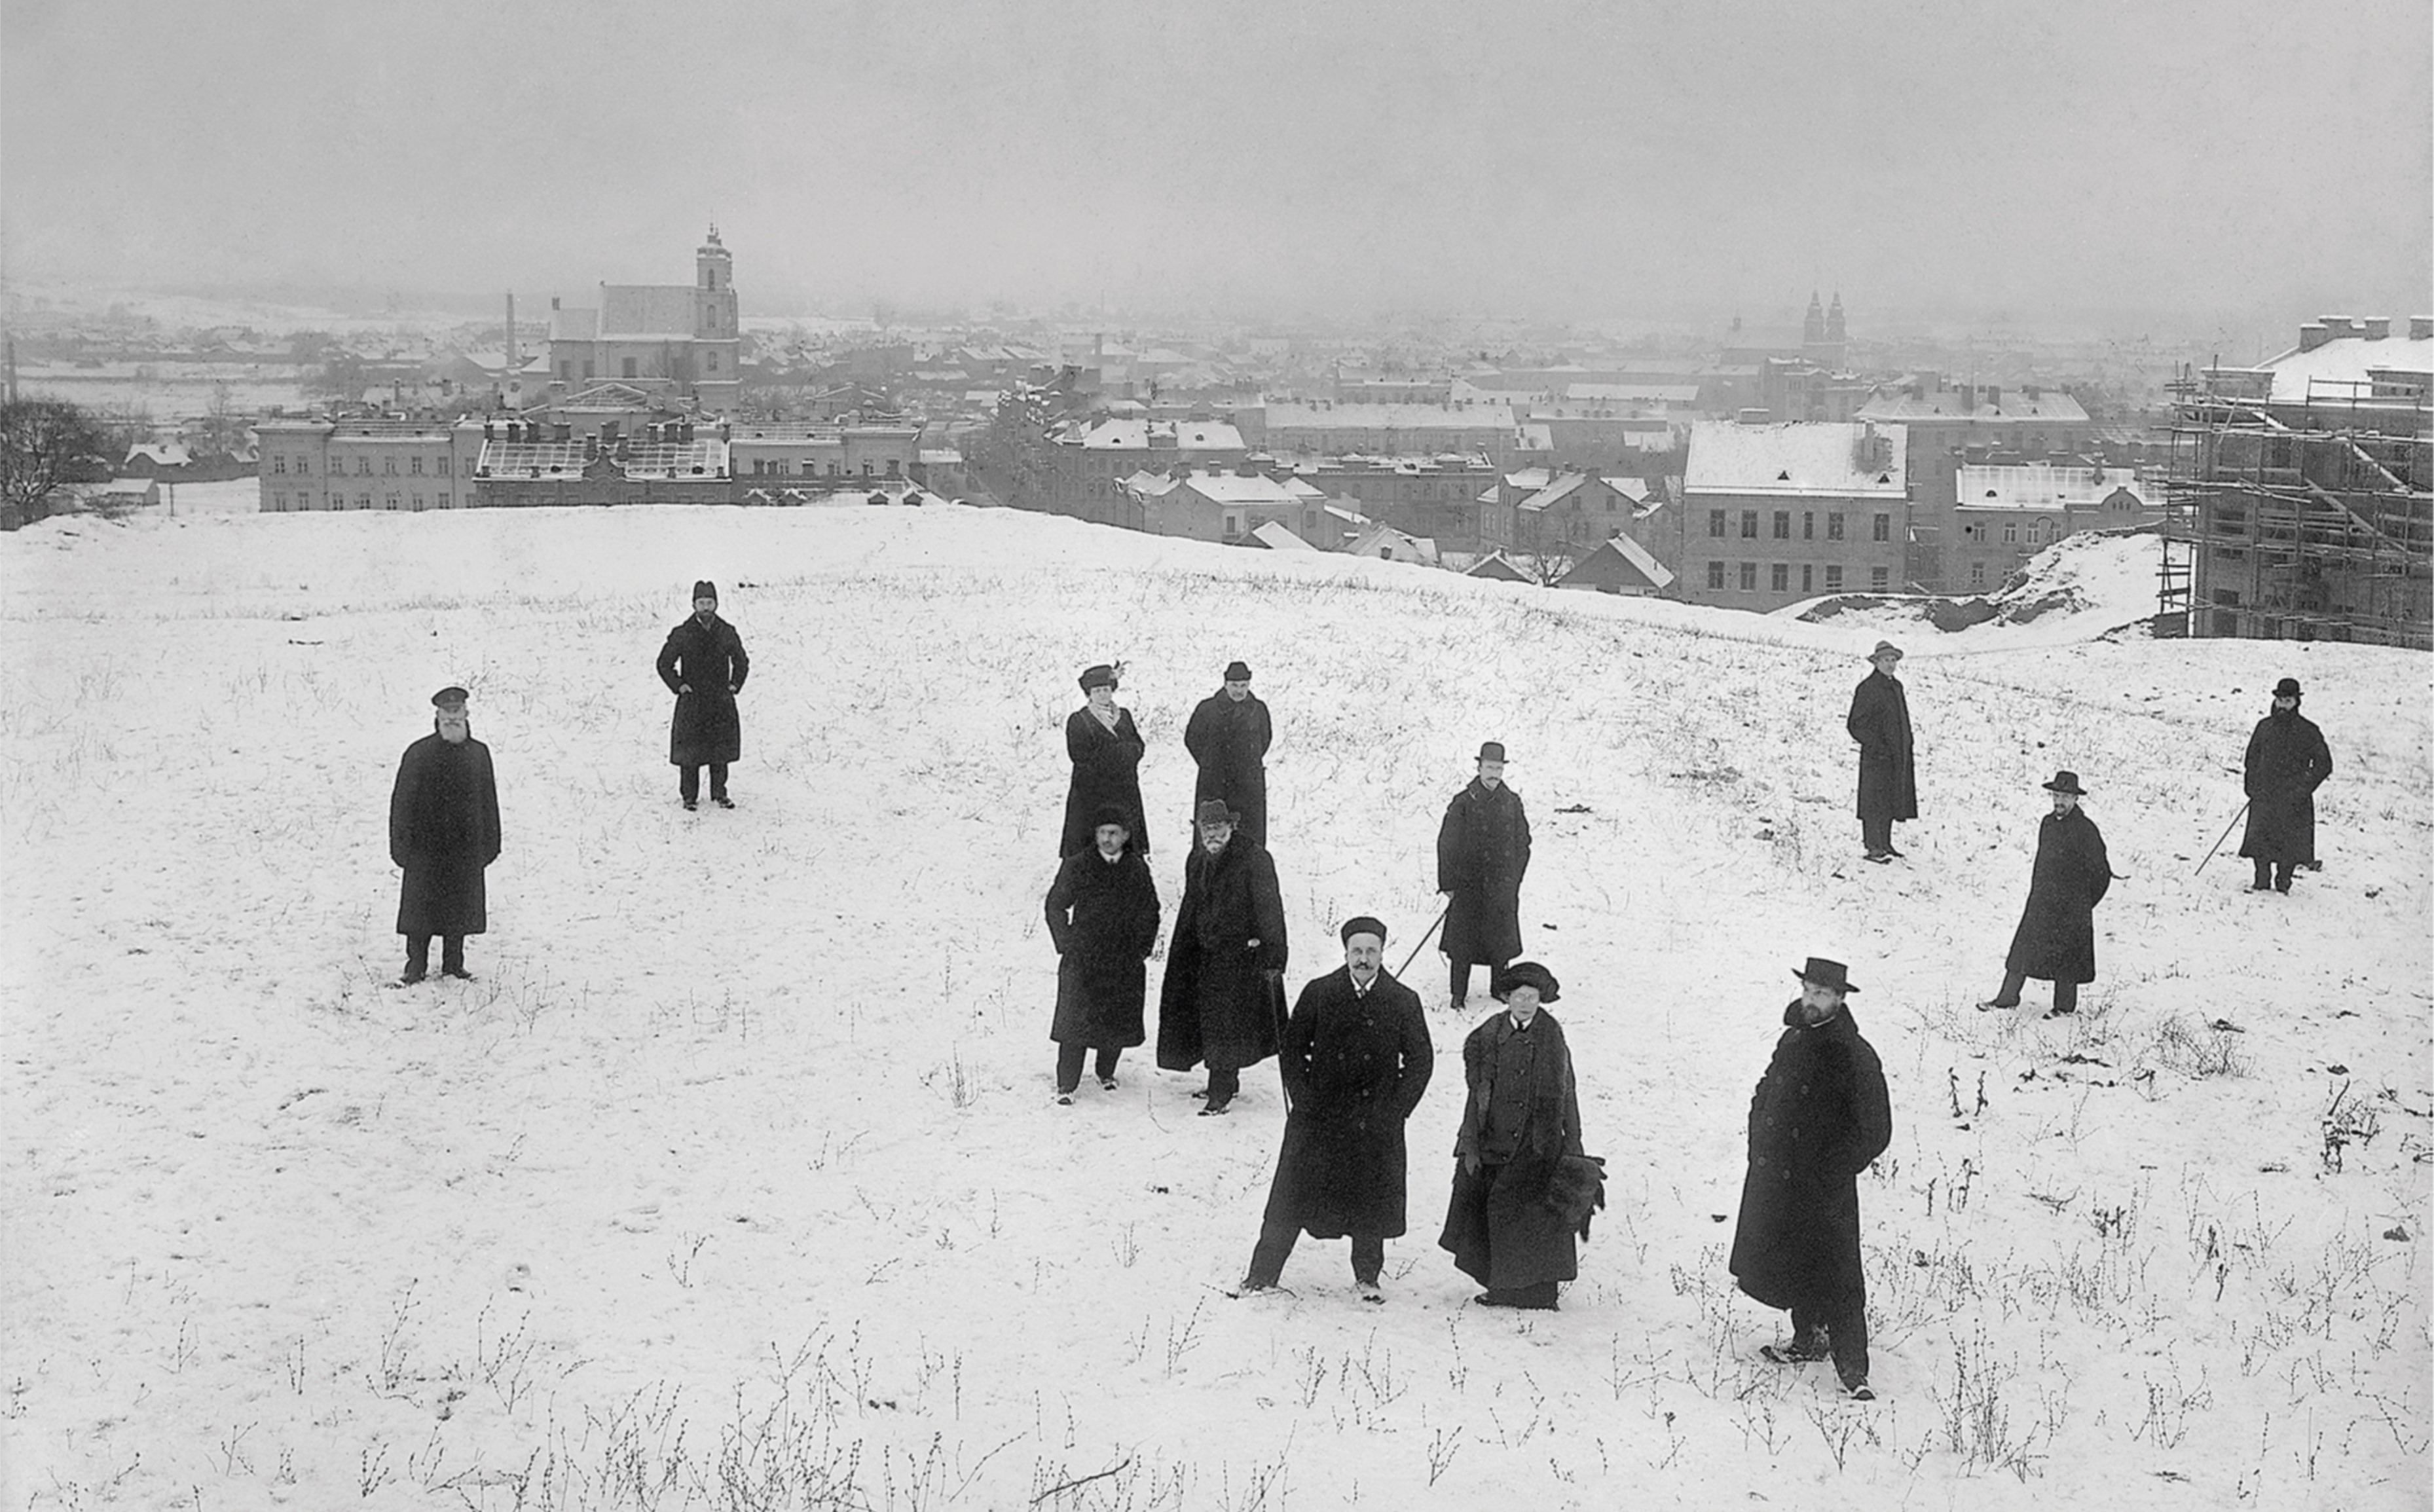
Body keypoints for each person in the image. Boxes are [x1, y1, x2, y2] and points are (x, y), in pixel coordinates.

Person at [1237, 917, 1433, 1302]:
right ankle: (1261, 1275)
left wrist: (1395, 1111)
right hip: (1319, 1118)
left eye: (1371, 951)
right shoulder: (1320, 992)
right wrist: (1305, 1099)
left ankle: (1367, 1279)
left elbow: (1421, 1061)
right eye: (1357, 951)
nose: (1364, 959)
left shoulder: (1403, 1000)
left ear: (1382, 953)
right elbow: (1292, 1050)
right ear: (1346, 952)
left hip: (1374, 1121)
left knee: (1370, 1203)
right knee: (1290, 1198)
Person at [1730, 957, 1892, 1401]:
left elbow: (1875, 1128)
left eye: (1821, 994)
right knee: (1794, 1258)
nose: (1811, 1001)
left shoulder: (1855, 1054)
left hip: (1825, 1184)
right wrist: (1759, 1143)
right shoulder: (1792, 1040)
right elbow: (1765, 1092)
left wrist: (1835, 1166)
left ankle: (1853, 1369)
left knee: (1838, 1274)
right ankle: (1807, 1339)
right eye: (1807, 991)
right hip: (1782, 1176)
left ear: (1840, 999)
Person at [1437, 961, 1583, 1310]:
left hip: (1537, 1146)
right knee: (1491, 1215)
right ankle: (1500, 1287)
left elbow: (1568, 1095)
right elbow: (1476, 1095)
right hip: (1494, 1141)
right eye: (1519, 997)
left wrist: (1573, 1144)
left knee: (1533, 1220)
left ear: (1540, 1001)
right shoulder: (1488, 1037)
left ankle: (1539, 1293)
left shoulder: (1552, 1038)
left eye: (1532, 998)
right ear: (1507, 998)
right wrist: (1469, 1141)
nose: (1525, 1004)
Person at [1154, 800, 1287, 1115]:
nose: (1212, 834)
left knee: (1227, 1024)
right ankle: (1226, 1081)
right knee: (1211, 1023)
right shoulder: (1197, 860)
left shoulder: (1255, 859)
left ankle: (1221, 1093)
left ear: (1232, 827)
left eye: (1218, 827)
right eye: (1206, 828)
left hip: (1241, 957)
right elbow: (1192, 905)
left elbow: (1270, 910)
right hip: (1204, 956)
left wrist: (1273, 954)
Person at [1043, 806, 1161, 1103]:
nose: (1107, 839)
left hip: (1123, 959)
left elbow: (1151, 911)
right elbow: (1055, 906)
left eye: (1113, 833)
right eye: (1102, 833)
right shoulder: (1078, 864)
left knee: (1117, 1020)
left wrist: (1140, 949)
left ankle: (1106, 1072)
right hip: (1084, 958)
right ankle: (1066, 1084)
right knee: (1075, 1024)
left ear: (1126, 836)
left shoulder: (1136, 868)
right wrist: (1067, 942)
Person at [388, 686, 501, 986]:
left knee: (460, 908)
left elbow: (489, 801)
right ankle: (415, 967)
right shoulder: (419, 753)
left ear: (466, 713)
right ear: (437, 715)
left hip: (465, 849)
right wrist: (401, 846)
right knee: (420, 910)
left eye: (457, 711)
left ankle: (454, 964)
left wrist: (491, 843)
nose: (452, 717)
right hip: (425, 849)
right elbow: (401, 803)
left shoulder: (479, 754)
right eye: (447, 712)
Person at [1982, 771, 2112, 1017]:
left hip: (2072, 906)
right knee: (2022, 951)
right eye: (2056, 795)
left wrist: (2083, 903)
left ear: (2075, 799)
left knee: (2068, 959)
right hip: (2042, 902)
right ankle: (2006, 999)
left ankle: (2063, 1009)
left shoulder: (2086, 830)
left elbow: (2101, 873)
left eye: (2065, 796)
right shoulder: (2048, 823)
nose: (2059, 801)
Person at [1437, 741, 1532, 1010]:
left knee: (1500, 941)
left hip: (1501, 888)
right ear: (1479, 768)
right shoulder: (1464, 802)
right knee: (1462, 944)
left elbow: (1523, 844)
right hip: (1468, 888)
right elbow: (1447, 843)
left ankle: (1499, 989)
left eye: (1499, 768)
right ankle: (1458, 994)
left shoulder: (1512, 803)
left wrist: (1514, 879)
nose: (1494, 773)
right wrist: (1448, 883)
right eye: (1490, 767)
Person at [655, 581, 748, 811]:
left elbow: (741, 662)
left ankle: (720, 793)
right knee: (690, 753)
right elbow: (664, 664)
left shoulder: (727, 632)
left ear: (716, 604)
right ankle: (689, 797)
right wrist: (679, 686)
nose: (706, 608)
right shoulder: (682, 634)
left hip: (720, 701)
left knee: (720, 751)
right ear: (693, 605)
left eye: (709, 603)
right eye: (701, 603)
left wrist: (734, 685)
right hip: (693, 701)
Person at [2238, 676, 2333, 894]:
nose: (2283, 705)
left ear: (2297, 702)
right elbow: (2251, 758)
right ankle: (2261, 881)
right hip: (2264, 794)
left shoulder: (2309, 731)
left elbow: (2324, 765)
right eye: (2280, 700)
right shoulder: (2264, 727)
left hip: (2293, 797)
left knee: (2289, 844)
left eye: (2288, 701)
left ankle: (2284, 883)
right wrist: (2251, 785)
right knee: (2261, 840)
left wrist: (2304, 788)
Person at [1060, 664, 1150, 858]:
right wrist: (1118, 756)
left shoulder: (1124, 716)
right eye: (1097, 691)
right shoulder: (1079, 720)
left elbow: (1137, 745)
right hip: (1093, 791)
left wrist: (1130, 754)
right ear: (1089, 694)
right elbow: (1080, 755)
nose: (1102, 694)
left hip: (1124, 789)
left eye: (1106, 690)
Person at [1184, 660, 1273, 847]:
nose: (1239, 690)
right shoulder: (1207, 709)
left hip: (1248, 783)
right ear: (1225, 684)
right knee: (1213, 830)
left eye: (1243, 686)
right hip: (1215, 782)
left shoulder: (1258, 710)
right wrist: (1210, 764)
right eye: (1234, 685)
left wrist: (1247, 762)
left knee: (1248, 832)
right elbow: (1192, 739)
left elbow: (1264, 740)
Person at [1845, 641, 1915, 864]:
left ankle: (1885, 843)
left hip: (1897, 756)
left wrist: (1906, 743)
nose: (1890, 664)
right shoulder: (1868, 688)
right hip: (1877, 758)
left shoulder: (1896, 686)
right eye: (1886, 660)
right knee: (1874, 801)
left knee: (1891, 799)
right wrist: (1877, 747)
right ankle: (1873, 846)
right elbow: (1856, 724)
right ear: (1876, 662)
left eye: (1893, 660)